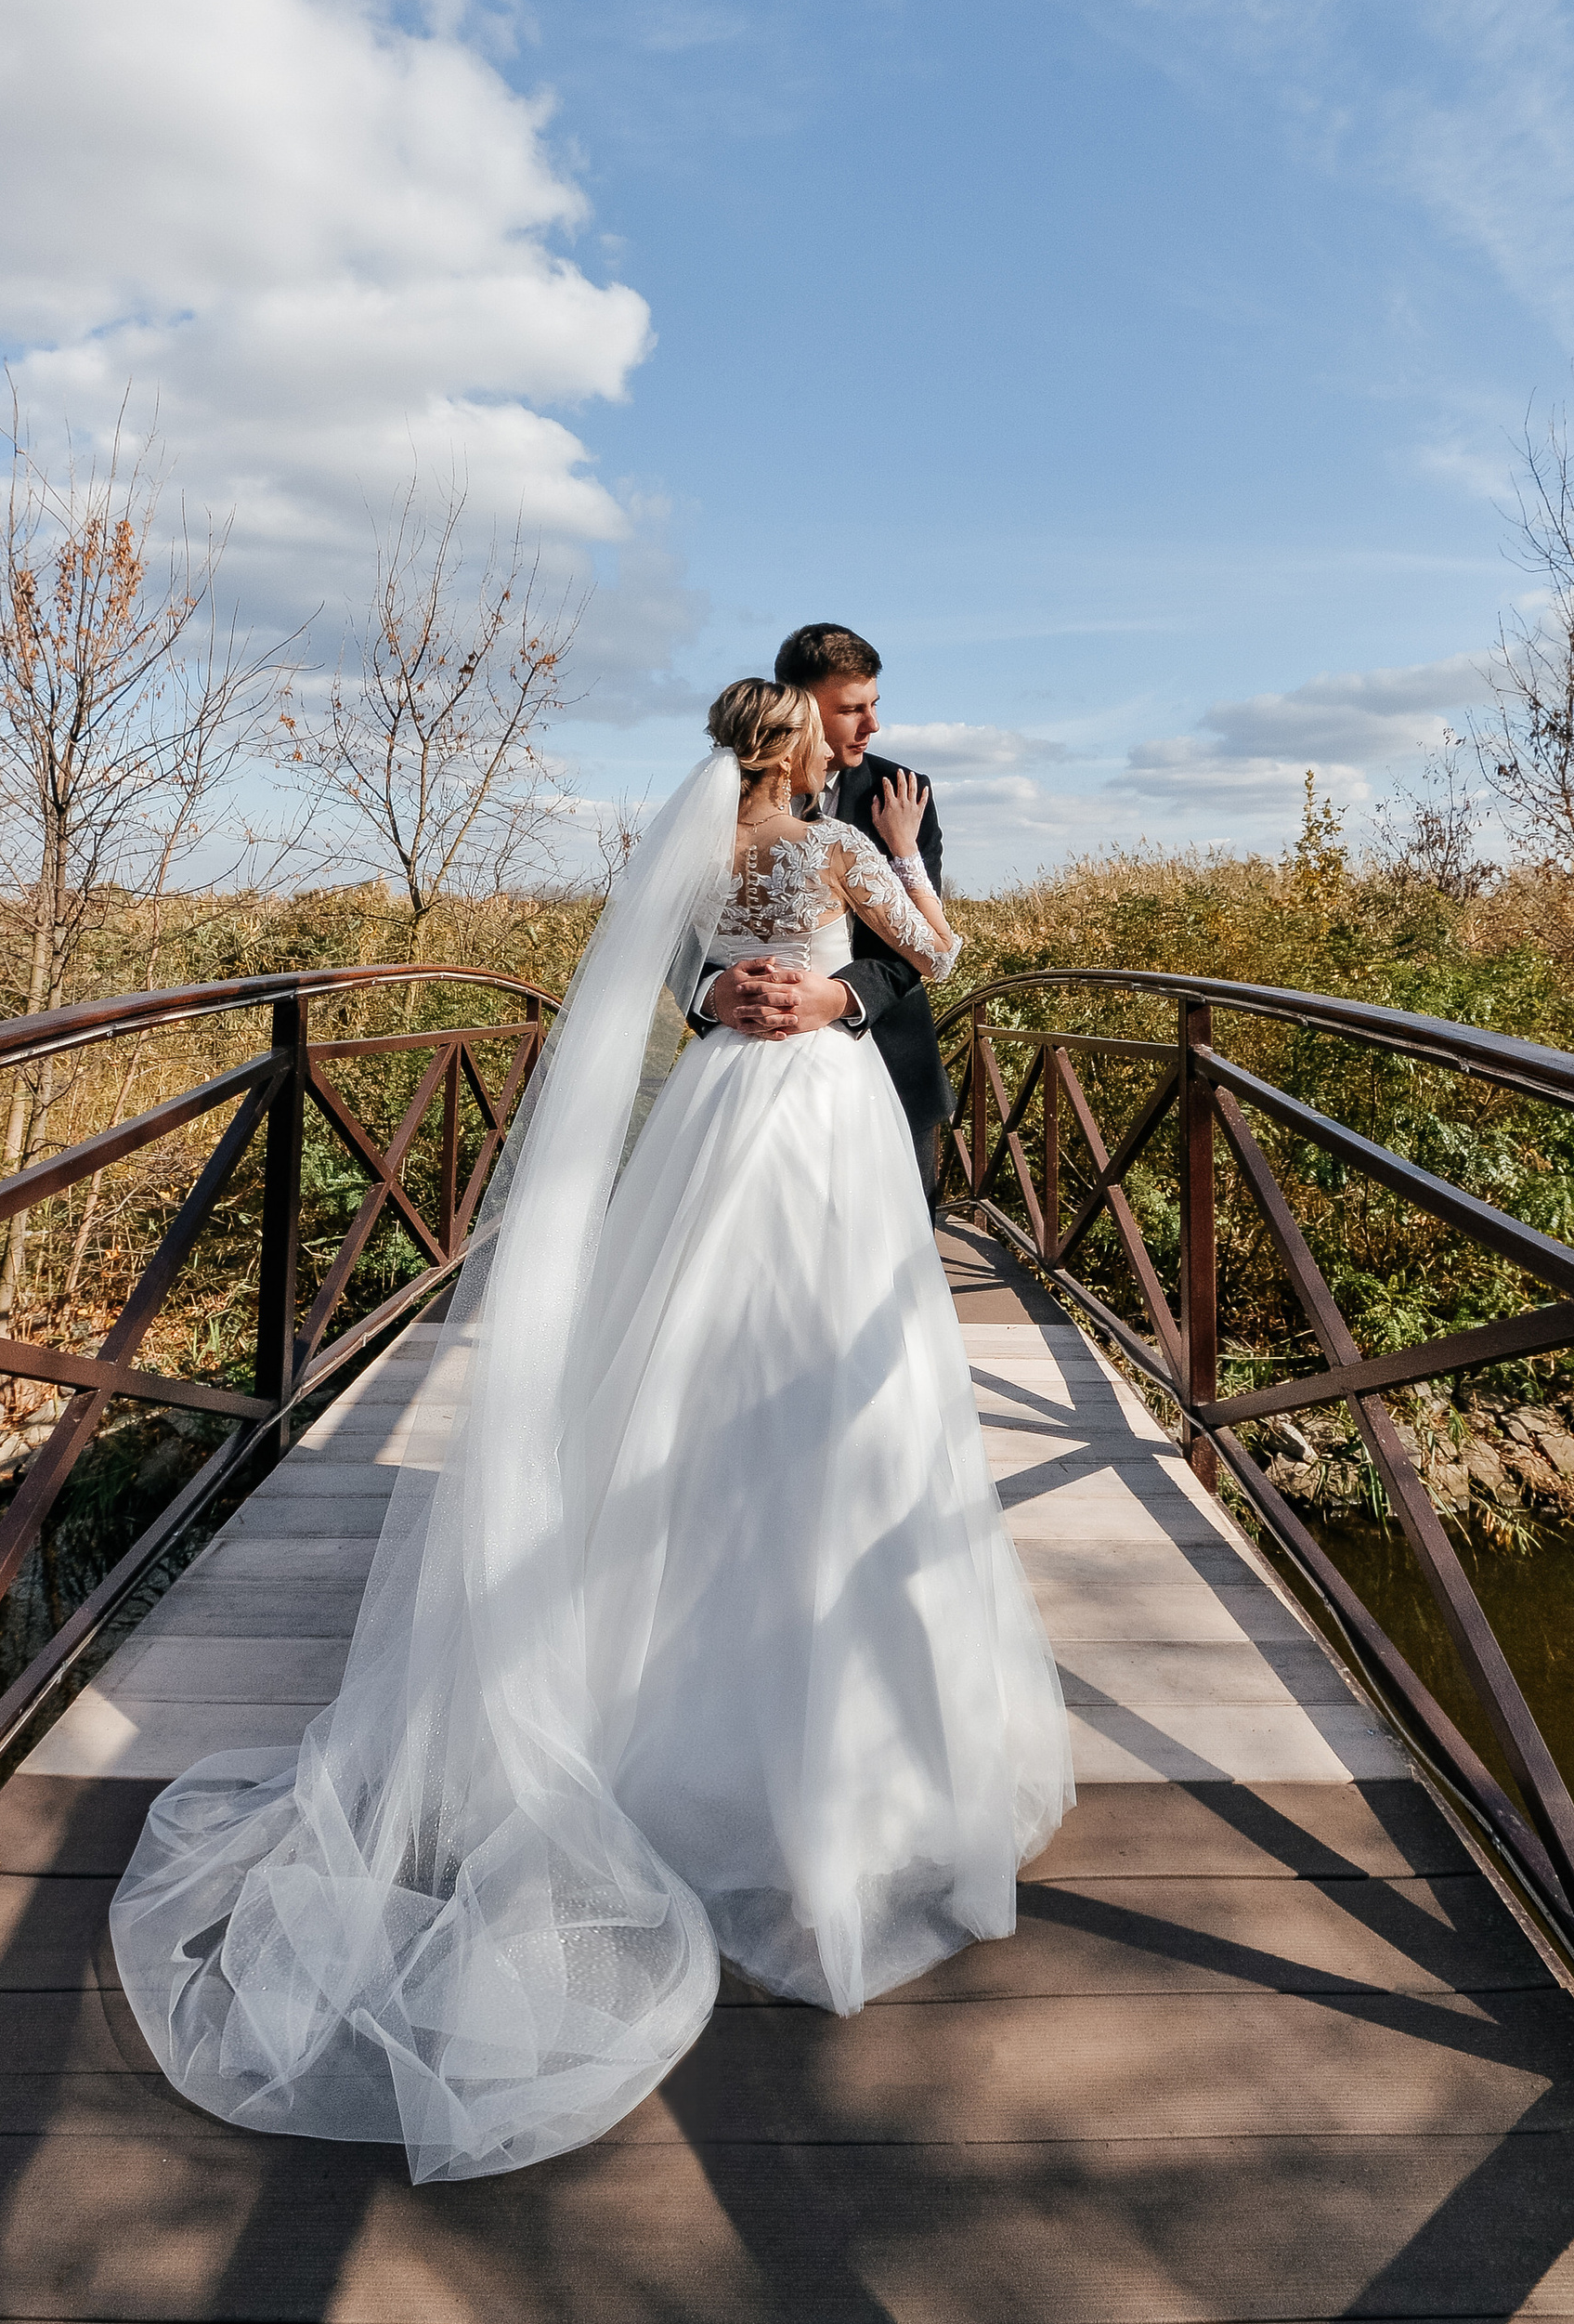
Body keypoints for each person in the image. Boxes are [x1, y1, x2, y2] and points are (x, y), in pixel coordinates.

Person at [110, 680, 1072, 2184]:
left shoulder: (696, 847)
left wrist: (760, 991)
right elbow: (934, 948)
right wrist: (891, 865)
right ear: (809, 740)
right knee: (818, 1367)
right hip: (816, 1123)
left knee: (680, 1351)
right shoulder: (839, 839)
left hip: (717, 1115)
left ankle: (638, 1686)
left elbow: (688, 974)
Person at [698, 621, 955, 1198]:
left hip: (883, 1062)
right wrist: (714, 995)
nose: (873, 725)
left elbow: (909, 947)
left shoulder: (903, 792)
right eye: (851, 709)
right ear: (802, 710)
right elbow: (665, 943)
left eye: (874, 705)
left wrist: (840, 997)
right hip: (736, 1069)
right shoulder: (706, 814)